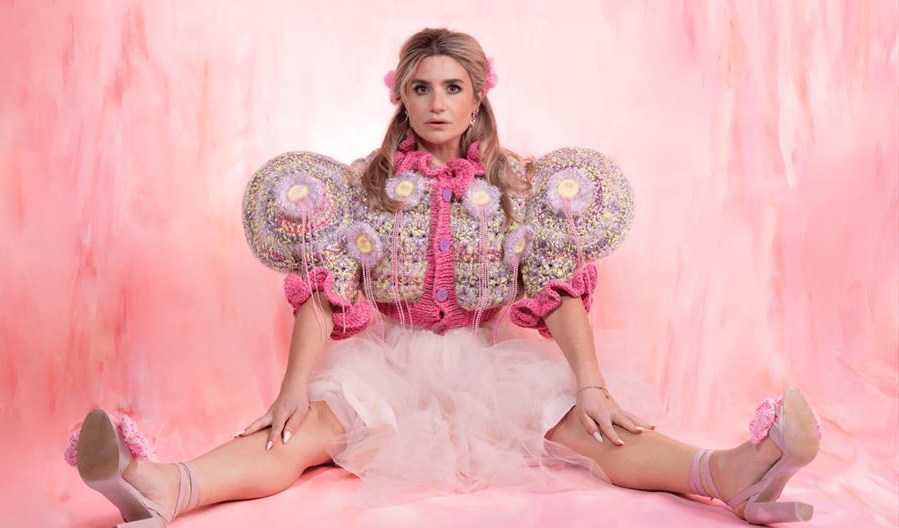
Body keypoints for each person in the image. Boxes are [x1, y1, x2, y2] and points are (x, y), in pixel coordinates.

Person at [64, 27, 823, 527]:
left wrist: (590, 380)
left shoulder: (522, 187)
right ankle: (163, 487)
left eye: (452, 87)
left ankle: (732, 474)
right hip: (388, 362)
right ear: (400, 95)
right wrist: (292, 387)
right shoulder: (362, 185)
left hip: (484, 363)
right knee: (304, 431)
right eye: (421, 88)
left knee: (594, 429)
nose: (436, 103)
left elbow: (555, 290)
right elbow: (328, 291)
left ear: (477, 96)